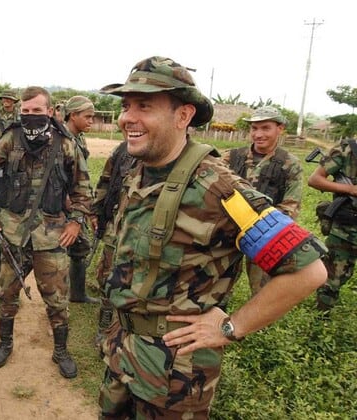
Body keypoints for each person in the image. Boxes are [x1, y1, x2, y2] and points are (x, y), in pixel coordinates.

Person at [97, 56, 327, 418]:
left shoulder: (219, 189)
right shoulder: (139, 171)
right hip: (122, 355)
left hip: (174, 377)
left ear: (183, 116)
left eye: (144, 105)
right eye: (126, 106)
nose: (128, 117)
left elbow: (308, 272)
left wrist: (232, 326)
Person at [0, 86, 93, 379]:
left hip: (52, 235)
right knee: (6, 293)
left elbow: (82, 190)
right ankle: (5, 344)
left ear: (50, 111)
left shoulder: (66, 143)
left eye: (37, 111)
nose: (30, 116)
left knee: (56, 298)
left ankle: (61, 351)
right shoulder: (9, 139)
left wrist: (75, 221)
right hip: (12, 233)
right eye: (26, 111)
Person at [221, 106, 303, 295]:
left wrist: (259, 228)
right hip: (227, 230)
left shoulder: (289, 164)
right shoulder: (231, 157)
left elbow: (291, 206)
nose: (258, 134)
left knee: (263, 290)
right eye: (254, 128)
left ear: (280, 128)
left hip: (265, 236)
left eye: (265, 128)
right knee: (217, 286)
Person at [91, 140, 134, 345]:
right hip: (115, 226)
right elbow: (105, 181)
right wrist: (97, 211)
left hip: (148, 231)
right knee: (107, 276)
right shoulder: (121, 151)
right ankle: (105, 325)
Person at [308, 139, 357, 311]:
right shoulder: (347, 149)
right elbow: (315, 179)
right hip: (346, 228)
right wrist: (351, 190)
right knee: (332, 278)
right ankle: (321, 319)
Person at [63, 95, 99, 304]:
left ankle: (76, 294)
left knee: (79, 247)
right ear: (73, 115)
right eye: (87, 116)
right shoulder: (62, 139)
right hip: (63, 206)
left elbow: (82, 177)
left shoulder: (78, 138)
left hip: (77, 204)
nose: (91, 121)